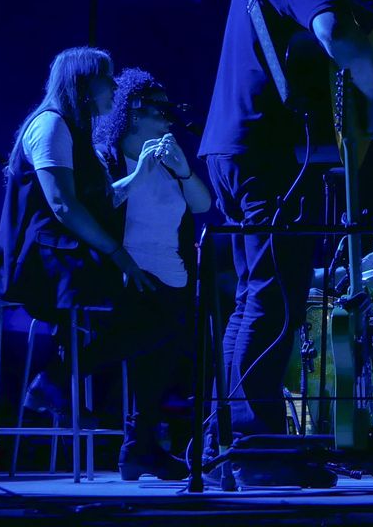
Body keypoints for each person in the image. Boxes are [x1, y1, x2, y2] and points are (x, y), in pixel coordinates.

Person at [198, 0, 373, 486]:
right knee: (270, 299)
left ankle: (242, 446)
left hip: (240, 149)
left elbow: (305, 58)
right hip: (265, 156)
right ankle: (256, 451)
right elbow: (335, 37)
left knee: (261, 296)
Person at [0, 47, 186, 480]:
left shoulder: (76, 134)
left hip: (71, 257)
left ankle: (71, 389)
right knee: (158, 312)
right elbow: (62, 206)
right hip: (47, 260)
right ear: (83, 82)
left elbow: (95, 202)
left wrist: (136, 178)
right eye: (108, 78)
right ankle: (62, 384)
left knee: (164, 312)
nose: (115, 88)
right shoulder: (51, 126)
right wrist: (119, 254)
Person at [93, 68, 212, 476]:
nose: (167, 118)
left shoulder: (165, 160)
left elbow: (201, 205)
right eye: (159, 110)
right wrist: (137, 172)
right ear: (133, 112)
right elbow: (98, 206)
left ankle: (139, 447)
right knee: (156, 339)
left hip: (173, 274)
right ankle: (136, 444)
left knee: (165, 360)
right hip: (130, 272)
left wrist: (182, 169)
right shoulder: (106, 158)